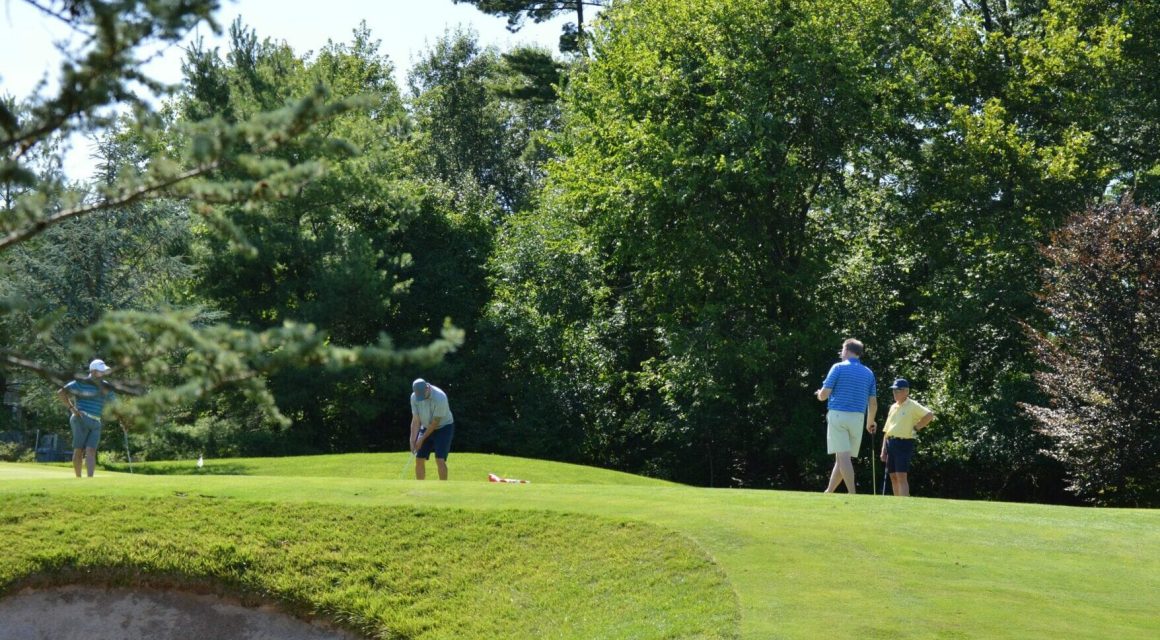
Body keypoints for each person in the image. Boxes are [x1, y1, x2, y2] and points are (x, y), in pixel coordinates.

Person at [814, 338, 877, 493]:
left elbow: (824, 395)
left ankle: (852, 493)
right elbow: (873, 403)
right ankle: (829, 492)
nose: (841, 353)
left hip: (838, 416)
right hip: (858, 418)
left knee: (843, 458)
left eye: (842, 350)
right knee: (842, 458)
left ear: (847, 350)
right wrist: (870, 422)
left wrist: (818, 395)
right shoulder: (868, 373)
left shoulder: (838, 368)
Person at [57, 359, 116, 478]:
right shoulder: (80, 383)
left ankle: (90, 480)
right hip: (81, 419)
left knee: (91, 450)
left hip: (96, 422)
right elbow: (61, 392)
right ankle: (78, 478)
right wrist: (72, 408)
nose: (103, 374)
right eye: (101, 372)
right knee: (79, 450)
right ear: (93, 372)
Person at [879, 378, 934, 497]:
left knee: (901, 476)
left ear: (906, 391)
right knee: (893, 476)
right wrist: (883, 450)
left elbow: (929, 415)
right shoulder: (893, 407)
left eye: (897, 390)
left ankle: (904, 503)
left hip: (904, 443)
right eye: (893, 390)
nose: (894, 393)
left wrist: (917, 427)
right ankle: (897, 502)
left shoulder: (912, 405)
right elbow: (887, 430)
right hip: (890, 442)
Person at [409, 378, 455, 480]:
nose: (420, 398)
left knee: (439, 459)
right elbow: (416, 420)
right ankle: (420, 487)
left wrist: (420, 440)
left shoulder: (440, 397)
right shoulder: (414, 397)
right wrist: (412, 440)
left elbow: (435, 423)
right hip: (425, 426)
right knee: (419, 459)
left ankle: (442, 488)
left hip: (443, 427)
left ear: (427, 388)